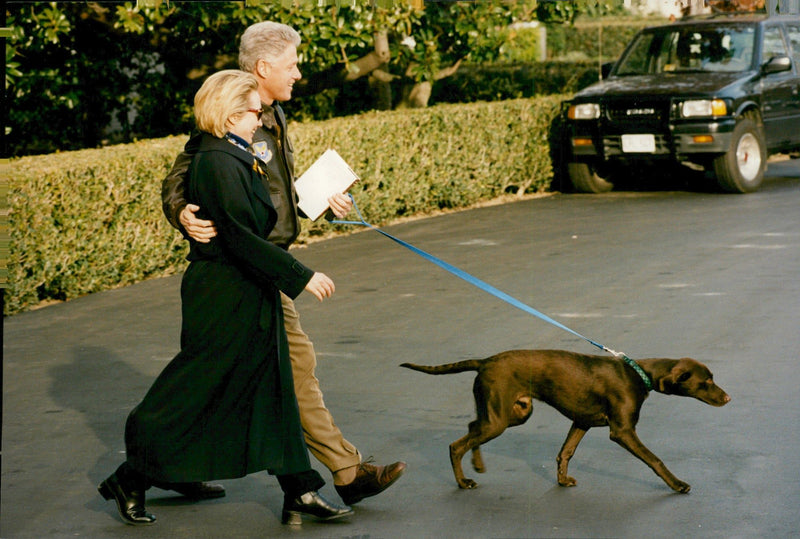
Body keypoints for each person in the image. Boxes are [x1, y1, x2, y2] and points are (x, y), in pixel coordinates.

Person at [161, 21, 405, 506]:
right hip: (251, 268)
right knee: (284, 369)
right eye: (292, 65)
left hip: (267, 262)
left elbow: (268, 193)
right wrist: (178, 209)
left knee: (243, 376)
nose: (298, 73)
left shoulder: (272, 115)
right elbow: (189, 170)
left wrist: (317, 200)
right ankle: (338, 473)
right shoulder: (232, 111)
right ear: (263, 68)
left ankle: (174, 462)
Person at [98, 70, 352, 527]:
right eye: (255, 112)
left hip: (247, 287)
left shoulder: (233, 153)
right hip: (222, 295)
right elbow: (238, 236)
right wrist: (301, 275)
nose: (261, 120)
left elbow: (258, 218)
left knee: (274, 389)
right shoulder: (216, 160)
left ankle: (300, 490)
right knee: (197, 391)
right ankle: (129, 477)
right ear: (232, 113)